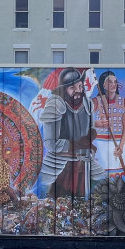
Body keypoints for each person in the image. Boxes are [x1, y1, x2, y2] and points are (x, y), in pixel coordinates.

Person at [39, 67, 106, 198]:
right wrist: (77, 145)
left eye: (80, 86)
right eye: (72, 88)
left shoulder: (87, 103)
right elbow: (51, 143)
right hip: (59, 162)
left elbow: (90, 130)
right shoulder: (55, 104)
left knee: (100, 184)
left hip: (84, 160)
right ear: (64, 90)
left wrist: (89, 141)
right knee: (56, 198)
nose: (78, 91)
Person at [91, 71, 125, 190]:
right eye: (109, 82)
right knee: (101, 180)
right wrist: (96, 124)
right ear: (103, 86)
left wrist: (122, 145)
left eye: (115, 82)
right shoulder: (95, 102)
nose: (113, 84)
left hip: (117, 145)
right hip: (100, 145)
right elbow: (84, 123)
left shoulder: (124, 102)